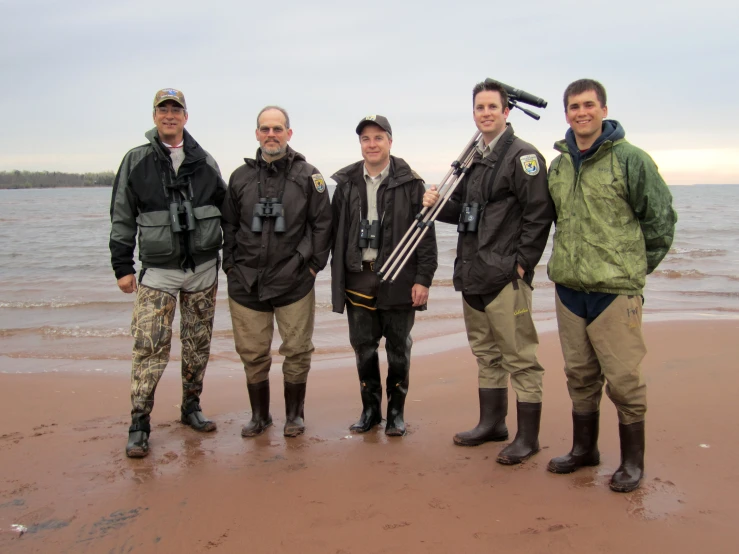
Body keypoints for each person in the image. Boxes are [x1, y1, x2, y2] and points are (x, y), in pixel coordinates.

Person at [545, 79, 677, 492]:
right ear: (565, 113)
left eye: (588, 105)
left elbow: (660, 223)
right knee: (579, 376)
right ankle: (585, 449)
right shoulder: (559, 165)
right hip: (568, 290)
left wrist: (632, 271)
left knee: (623, 380)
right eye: (573, 107)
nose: (580, 113)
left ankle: (633, 463)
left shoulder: (631, 160)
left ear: (604, 109)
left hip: (615, 291)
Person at [423, 81, 554, 464]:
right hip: (473, 273)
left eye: (492, 107)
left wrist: (521, 266)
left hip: (505, 278)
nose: (485, 113)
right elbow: (463, 211)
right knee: (486, 354)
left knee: (520, 357)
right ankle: (492, 424)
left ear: (506, 111)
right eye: (479, 107)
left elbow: (539, 216)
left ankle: (527, 439)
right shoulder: (474, 158)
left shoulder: (523, 156)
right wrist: (435, 203)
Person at [110, 88, 227, 458]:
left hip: (203, 271)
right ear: (155, 116)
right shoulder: (136, 160)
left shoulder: (204, 160)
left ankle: (191, 407)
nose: (170, 116)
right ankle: (139, 422)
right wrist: (122, 266)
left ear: (185, 117)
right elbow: (121, 216)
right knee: (149, 346)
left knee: (197, 345)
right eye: (164, 110)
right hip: (157, 273)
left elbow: (228, 211)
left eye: (176, 110)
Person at [221, 106, 332, 438]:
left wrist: (312, 265)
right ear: (257, 134)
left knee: (297, 350)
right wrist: (229, 266)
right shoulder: (239, 178)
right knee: (252, 353)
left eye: (278, 129)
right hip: (246, 281)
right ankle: (260, 417)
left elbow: (322, 225)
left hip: (294, 280)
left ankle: (294, 416)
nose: (272, 135)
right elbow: (227, 224)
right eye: (265, 129)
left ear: (289, 133)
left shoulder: (309, 176)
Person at [330, 115, 437, 437]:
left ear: (390, 141)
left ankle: (395, 414)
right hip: (358, 279)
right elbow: (332, 232)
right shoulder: (346, 184)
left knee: (398, 349)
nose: (372, 144)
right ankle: (369, 411)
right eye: (366, 138)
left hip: (399, 280)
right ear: (360, 144)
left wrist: (424, 279)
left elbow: (425, 238)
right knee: (363, 348)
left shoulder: (412, 183)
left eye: (378, 137)